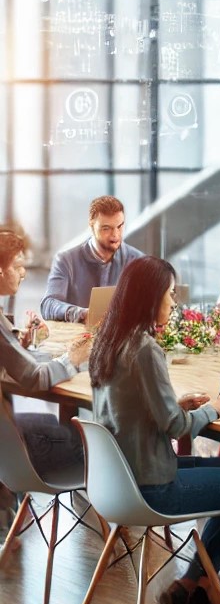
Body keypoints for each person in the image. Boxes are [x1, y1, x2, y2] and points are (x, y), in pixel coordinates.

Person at [88, 256, 220, 604]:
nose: (174, 303)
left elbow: (127, 412)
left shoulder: (108, 341)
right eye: (171, 295)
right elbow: (177, 429)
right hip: (150, 487)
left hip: (118, 481)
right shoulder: (145, 349)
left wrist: (174, 403)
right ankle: (197, 584)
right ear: (150, 298)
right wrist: (212, 409)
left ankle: (192, 586)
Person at [0, 229, 92, 539]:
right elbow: (35, 378)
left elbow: (11, 364)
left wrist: (22, 344)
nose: (25, 273)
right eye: (18, 266)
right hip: (13, 452)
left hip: (6, 447)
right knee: (93, 440)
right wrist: (72, 359)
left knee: (56, 424)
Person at [40, 195, 144, 323]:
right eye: (106, 228)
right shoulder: (66, 261)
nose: (115, 235)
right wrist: (80, 313)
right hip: (77, 338)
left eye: (120, 226)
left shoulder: (138, 261)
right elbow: (48, 305)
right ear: (91, 228)